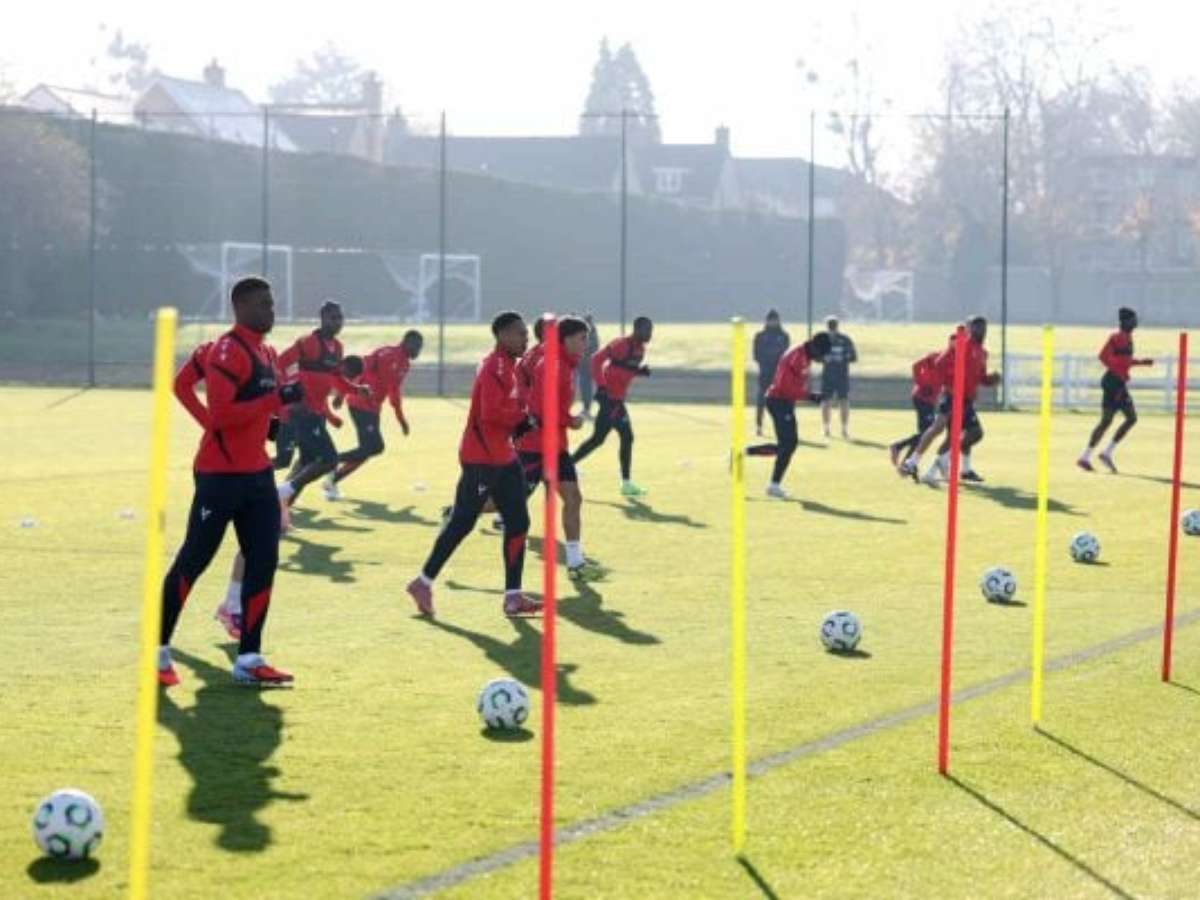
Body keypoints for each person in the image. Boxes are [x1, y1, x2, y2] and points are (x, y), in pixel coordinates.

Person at [158, 277, 302, 687]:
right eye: (262, 304)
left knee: (264, 559)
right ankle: (157, 650)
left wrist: (275, 421)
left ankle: (249, 658)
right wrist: (215, 426)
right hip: (219, 476)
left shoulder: (267, 352)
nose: (270, 311)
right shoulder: (224, 350)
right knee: (195, 559)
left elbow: (259, 406)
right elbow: (219, 411)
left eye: (271, 304)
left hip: (257, 474)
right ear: (239, 308)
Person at [406, 312, 542, 619]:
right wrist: (521, 419)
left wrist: (521, 420)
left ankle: (513, 597)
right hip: (482, 459)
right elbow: (490, 413)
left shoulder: (509, 366)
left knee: (519, 522)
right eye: (520, 333)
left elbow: (507, 409)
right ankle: (422, 583)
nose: (525, 338)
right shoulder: (494, 367)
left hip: (504, 456)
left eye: (526, 333)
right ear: (502, 336)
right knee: (462, 523)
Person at [515, 316, 603, 580]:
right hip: (534, 447)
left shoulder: (564, 362)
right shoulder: (553, 365)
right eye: (582, 338)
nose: (586, 344)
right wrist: (571, 421)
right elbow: (542, 407)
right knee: (499, 503)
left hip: (556, 447)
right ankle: (458, 514)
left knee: (573, 498)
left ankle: (575, 563)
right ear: (566, 340)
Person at [275, 300, 367, 507]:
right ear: (323, 318)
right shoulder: (308, 342)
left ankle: (281, 507)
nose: (338, 322)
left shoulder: (338, 348)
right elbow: (279, 364)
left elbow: (336, 377)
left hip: (316, 413)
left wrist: (356, 389)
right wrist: (290, 395)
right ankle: (282, 492)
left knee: (307, 461)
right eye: (333, 318)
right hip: (301, 413)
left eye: (340, 318)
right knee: (329, 460)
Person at [899, 316, 999, 485]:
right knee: (947, 429)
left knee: (958, 435)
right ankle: (914, 462)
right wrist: (947, 382)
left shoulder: (983, 353)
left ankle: (934, 467)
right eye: (976, 327)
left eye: (983, 328)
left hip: (966, 399)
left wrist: (991, 380)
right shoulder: (962, 345)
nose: (981, 331)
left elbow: (980, 377)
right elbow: (939, 364)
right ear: (969, 329)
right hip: (952, 396)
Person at [324, 331, 423, 497]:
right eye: (417, 346)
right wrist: (342, 393)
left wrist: (342, 394)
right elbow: (359, 369)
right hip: (361, 403)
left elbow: (391, 389)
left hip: (372, 407)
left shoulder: (403, 363)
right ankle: (329, 462)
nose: (418, 350)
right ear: (407, 342)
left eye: (420, 347)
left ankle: (332, 479)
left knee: (367, 450)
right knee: (375, 447)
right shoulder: (390, 355)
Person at [572, 315, 653, 496]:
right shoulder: (620, 344)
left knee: (597, 440)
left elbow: (624, 369)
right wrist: (601, 387)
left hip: (616, 400)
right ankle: (626, 483)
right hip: (610, 400)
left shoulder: (640, 349)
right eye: (647, 330)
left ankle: (566, 466)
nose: (650, 334)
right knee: (627, 436)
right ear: (637, 329)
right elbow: (596, 360)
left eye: (651, 330)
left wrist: (639, 372)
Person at [745, 332, 832, 498]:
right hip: (778, 401)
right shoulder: (797, 357)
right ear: (815, 348)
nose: (822, 358)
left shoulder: (805, 356)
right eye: (822, 354)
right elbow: (786, 388)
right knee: (788, 444)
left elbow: (794, 387)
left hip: (784, 402)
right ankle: (771, 483)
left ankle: (746, 455)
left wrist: (810, 395)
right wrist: (811, 396)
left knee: (788, 445)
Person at [1078, 307, 1153, 473]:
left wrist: (1134, 364)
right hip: (1115, 383)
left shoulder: (1123, 338)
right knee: (1131, 418)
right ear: (1125, 322)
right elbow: (1112, 358)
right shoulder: (1119, 338)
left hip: (1113, 381)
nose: (1136, 322)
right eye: (1133, 320)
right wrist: (1125, 367)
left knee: (1107, 421)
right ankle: (1106, 453)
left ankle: (1085, 457)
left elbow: (1114, 358)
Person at [889, 350, 941, 469]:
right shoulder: (937, 356)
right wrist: (921, 383)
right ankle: (898, 447)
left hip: (930, 401)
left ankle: (907, 464)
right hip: (923, 399)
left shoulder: (953, 361)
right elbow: (916, 366)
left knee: (924, 434)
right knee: (928, 433)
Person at [752, 310, 790, 437]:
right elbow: (756, 355)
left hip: (780, 375)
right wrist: (767, 361)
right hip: (765, 373)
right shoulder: (760, 336)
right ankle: (759, 426)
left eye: (775, 320)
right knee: (761, 401)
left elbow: (786, 354)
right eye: (770, 320)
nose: (773, 322)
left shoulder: (784, 336)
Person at [820, 315, 858, 439]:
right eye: (830, 326)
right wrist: (823, 358)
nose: (832, 329)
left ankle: (844, 429)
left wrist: (844, 357)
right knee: (826, 401)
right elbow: (815, 356)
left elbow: (854, 357)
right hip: (827, 375)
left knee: (843, 401)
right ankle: (826, 428)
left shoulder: (845, 340)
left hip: (841, 375)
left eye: (833, 326)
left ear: (837, 326)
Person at [579, 314, 600, 418]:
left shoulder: (591, 333)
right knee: (584, 387)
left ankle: (586, 409)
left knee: (586, 387)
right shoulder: (586, 332)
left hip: (587, 366)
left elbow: (594, 347)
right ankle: (586, 409)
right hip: (582, 365)